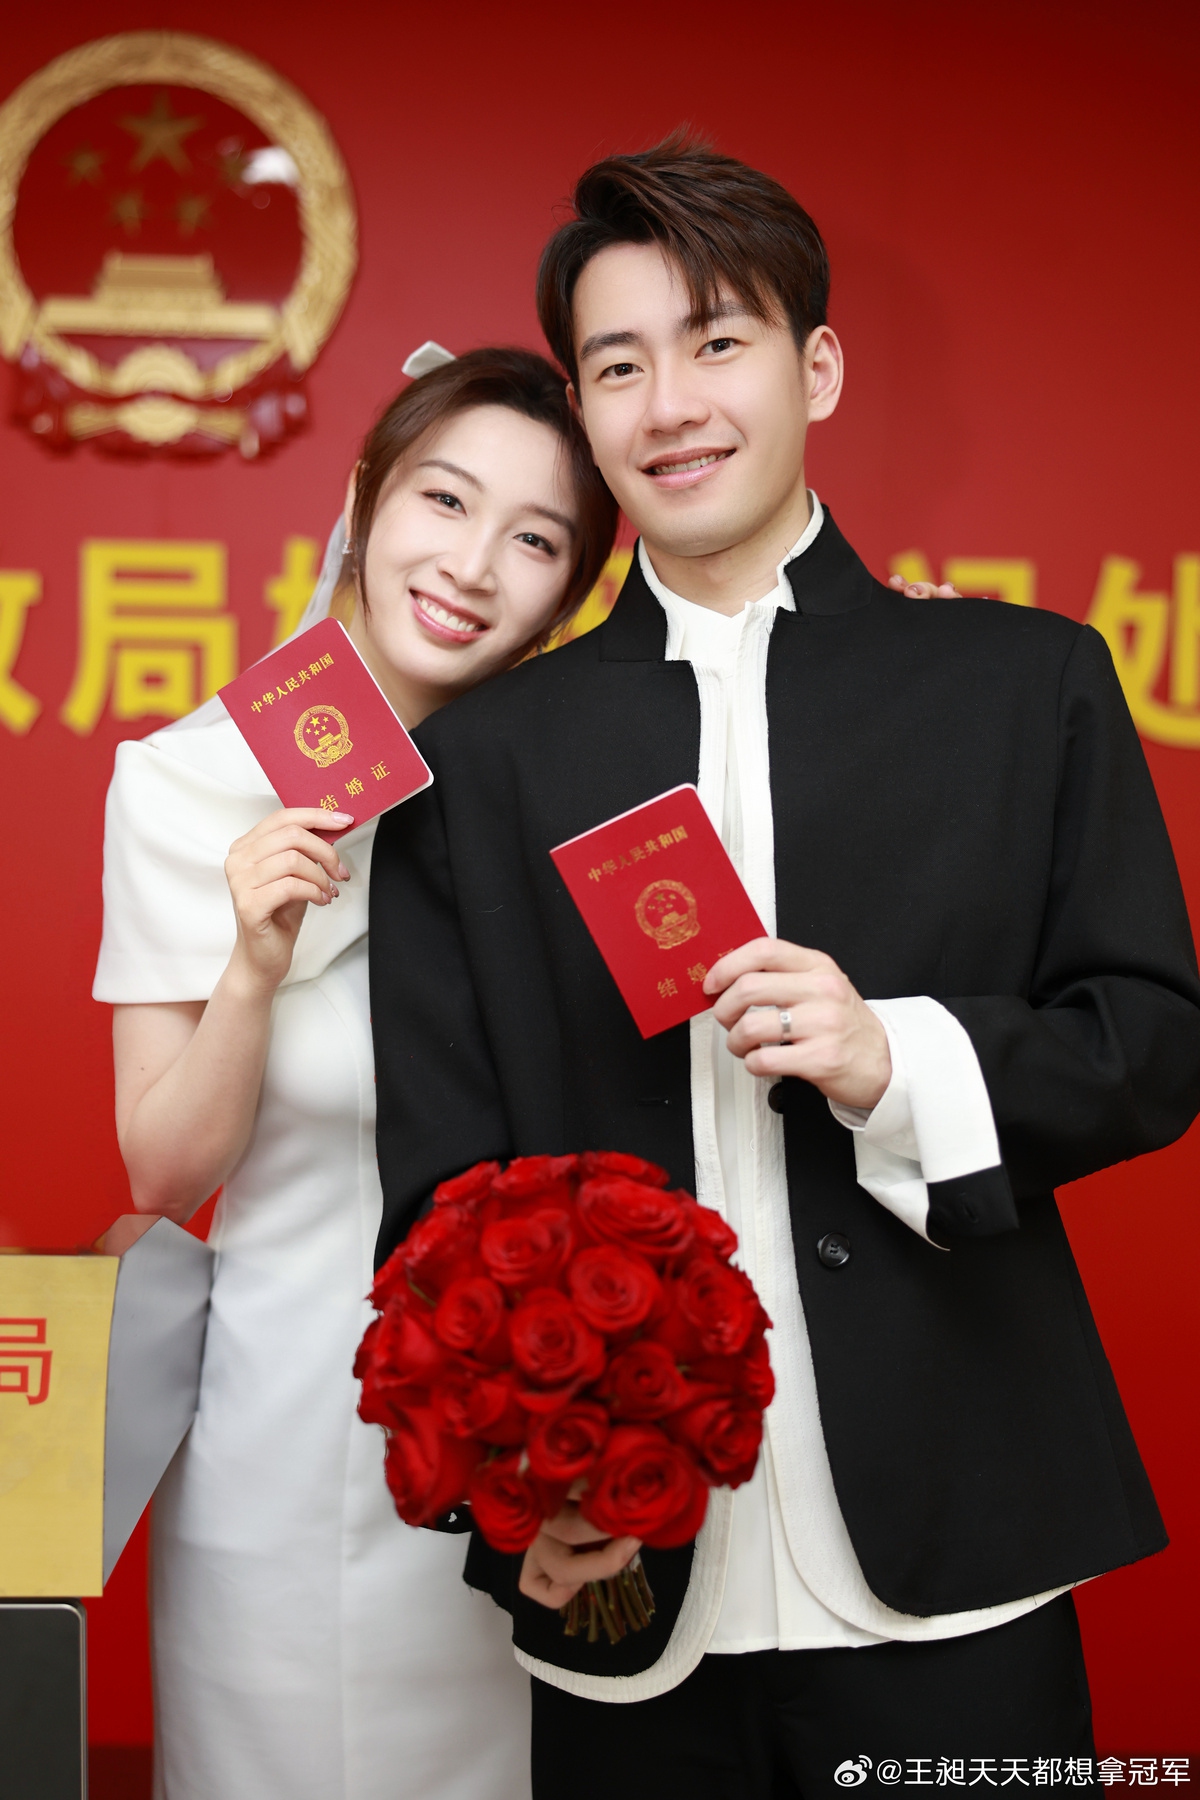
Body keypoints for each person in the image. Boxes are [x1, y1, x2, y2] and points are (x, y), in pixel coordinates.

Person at [367, 138, 1200, 1797]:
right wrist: (526, 1487)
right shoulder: (492, 764)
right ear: (589, 415)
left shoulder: (1021, 683)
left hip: (961, 1553)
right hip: (620, 1576)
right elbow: (443, 1185)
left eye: (718, 341)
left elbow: (1151, 1040)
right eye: (620, 363)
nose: (669, 400)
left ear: (817, 366)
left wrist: (903, 1061)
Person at [93, 346, 617, 1800]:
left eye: (535, 539)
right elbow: (163, 1171)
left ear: (573, 592)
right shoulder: (185, 780)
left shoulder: (586, 798)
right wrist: (255, 965)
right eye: (443, 501)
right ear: (365, 501)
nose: (469, 566)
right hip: (288, 1432)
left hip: (544, 1444)